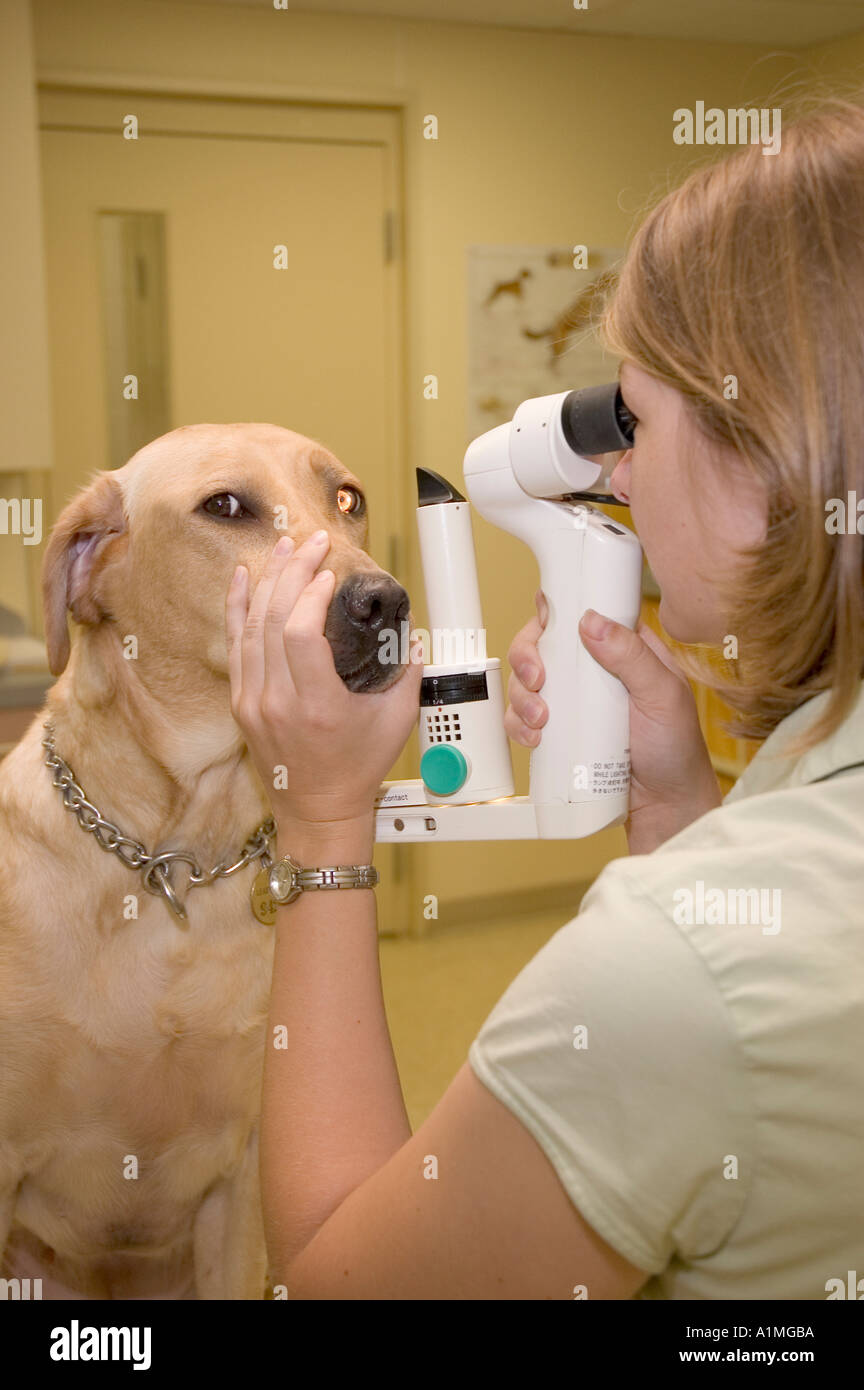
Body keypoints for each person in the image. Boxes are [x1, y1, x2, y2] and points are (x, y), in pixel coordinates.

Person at [225, 97, 864, 1300]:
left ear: (771, 452)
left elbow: (326, 1284)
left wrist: (320, 825)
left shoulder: (669, 981)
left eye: (636, 416)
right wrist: (682, 809)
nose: (616, 467)